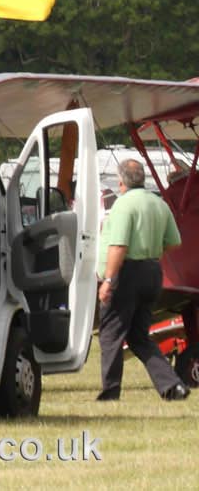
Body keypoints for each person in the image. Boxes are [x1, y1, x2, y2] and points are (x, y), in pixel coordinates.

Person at [96, 157, 189, 402]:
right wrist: (152, 253)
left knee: (110, 334)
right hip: (152, 272)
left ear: (121, 181)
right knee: (139, 337)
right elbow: (174, 241)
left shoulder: (123, 205)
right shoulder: (159, 203)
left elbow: (118, 246)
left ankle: (110, 392)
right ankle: (173, 386)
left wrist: (108, 280)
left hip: (127, 273)